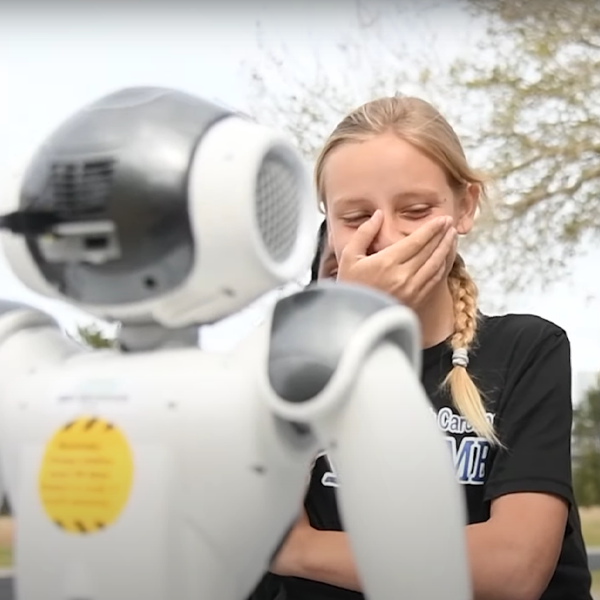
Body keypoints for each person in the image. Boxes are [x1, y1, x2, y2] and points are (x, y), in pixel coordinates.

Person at [269, 95, 592, 600]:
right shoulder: (287, 364)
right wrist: (343, 331)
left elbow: (512, 567)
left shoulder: (527, 348)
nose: (386, 235)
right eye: (355, 217)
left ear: (464, 206)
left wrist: (301, 551)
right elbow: (244, 527)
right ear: (327, 224)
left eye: (415, 210)